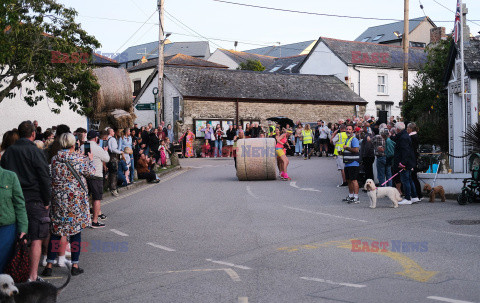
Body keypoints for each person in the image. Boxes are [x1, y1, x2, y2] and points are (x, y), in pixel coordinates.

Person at [1, 121, 51, 282]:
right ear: (33, 134)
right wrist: (46, 199)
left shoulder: (8, 152)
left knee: (17, 238)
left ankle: (13, 272)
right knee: (36, 238)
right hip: (34, 199)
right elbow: (44, 176)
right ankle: (32, 276)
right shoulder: (35, 152)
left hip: (12, 200)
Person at [42, 132, 95, 277]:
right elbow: (91, 172)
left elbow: (50, 176)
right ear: (74, 144)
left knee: (56, 232)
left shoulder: (54, 159)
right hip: (75, 201)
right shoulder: (79, 158)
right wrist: (90, 160)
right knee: (75, 233)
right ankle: (75, 265)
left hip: (58, 200)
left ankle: (49, 265)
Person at [0, 166, 28, 273]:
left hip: (6, 227)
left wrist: (23, 228)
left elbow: (19, 204)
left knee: (3, 260)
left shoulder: (10, 176)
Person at [86, 130, 109, 228]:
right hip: (96, 175)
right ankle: (94, 221)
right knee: (97, 198)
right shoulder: (97, 148)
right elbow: (106, 159)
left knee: (86, 198)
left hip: (85, 175)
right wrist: (105, 151)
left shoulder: (84, 146)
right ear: (96, 138)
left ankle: (86, 220)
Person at [393, 122, 420, 205]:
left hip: (405, 162)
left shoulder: (403, 137)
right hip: (408, 161)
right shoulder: (405, 136)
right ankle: (414, 197)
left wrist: (402, 162)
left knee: (405, 180)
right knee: (409, 179)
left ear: (397, 129)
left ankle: (408, 198)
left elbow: (405, 151)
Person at [342, 124, 360, 204]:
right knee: (349, 180)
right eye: (347, 129)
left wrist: (346, 148)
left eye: (349, 129)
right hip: (347, 163)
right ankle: (350, 195)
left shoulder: (354, 139)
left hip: (353, 163)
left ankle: (356, 197)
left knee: (354, 180)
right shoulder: (347, 139)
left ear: (352, 131)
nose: (348, 131)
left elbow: (356, 150)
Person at [407, 122, 423, 200]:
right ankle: (418, 194)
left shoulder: (411, 137)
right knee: (414, 177)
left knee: (413, 177)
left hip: (412, 159)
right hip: (414, 159)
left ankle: (417, 195)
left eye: (407, 128)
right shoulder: (415, 136)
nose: (406, 130)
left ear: (410, 129)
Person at [107, 128, 124, 197]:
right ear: (110, 132)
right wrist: (120, 152)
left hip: (108, 156)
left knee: (110, 172)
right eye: (113, 131)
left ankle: (109, 187)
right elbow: (113, 149)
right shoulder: (112, 139)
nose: (114, 132)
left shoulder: (106, 139)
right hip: (113, 157)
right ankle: (113, 189)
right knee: (114, 173)